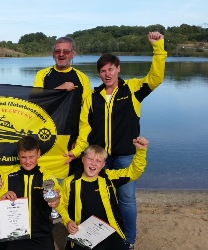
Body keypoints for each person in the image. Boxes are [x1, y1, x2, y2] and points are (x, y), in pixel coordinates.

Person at [64, 31, 167, 249]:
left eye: (110, 69)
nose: (107, 74)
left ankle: (128, 240)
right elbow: (85, 128)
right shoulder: (93, 97)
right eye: (102, 71)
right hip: (100, 158)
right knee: (101, 198)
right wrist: (77, 150)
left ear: (118, 69)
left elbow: (156, 78)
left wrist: (158, 48)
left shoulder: (132, 90)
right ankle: (100, 234)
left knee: (126, 199)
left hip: (125, 155)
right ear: (99, 74)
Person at [56, 137, 149, 250]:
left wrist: (141, 151)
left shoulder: (108, 178)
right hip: (82, 233)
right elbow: (60, 205)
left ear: (104, 164)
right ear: (83, 159)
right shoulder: (70, 182)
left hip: (109, 231)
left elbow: (134, 172)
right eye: (90, 159)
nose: (94, 164)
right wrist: (67, 222)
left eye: (98, 161)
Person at [33, 37, 92, 177]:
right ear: (53, 54)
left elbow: (87, 115)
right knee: (44, 184)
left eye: (66, 51)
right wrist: (59, 90)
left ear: (73, 54)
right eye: (58, 51)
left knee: (71, 187)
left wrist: (80, 145)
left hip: (71, 142)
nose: (61, 54)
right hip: (46, 139)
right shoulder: (42, 75)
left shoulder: (82, 78)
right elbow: (35, 103)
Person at [0, 135, 61, 250]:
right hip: (15, 235)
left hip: (42, 234)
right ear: (18, 155)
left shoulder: (47, 176)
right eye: (23, 157)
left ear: (38, 153)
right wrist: (3, 197)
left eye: (31, 157)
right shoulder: (8, 176)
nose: (27, 161)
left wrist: (55, 202)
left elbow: (58, 200)